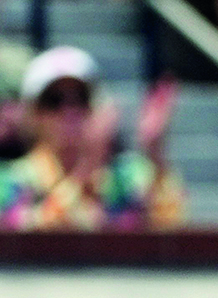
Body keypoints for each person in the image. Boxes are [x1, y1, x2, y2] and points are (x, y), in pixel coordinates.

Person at [0, 47, 183, 230]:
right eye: (54, 100)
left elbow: (171, 222)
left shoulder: (126, 177)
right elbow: (30, 235)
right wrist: (86, 168)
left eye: (80, 99)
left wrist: (155, 154)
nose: (69, 111)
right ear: (34, 114)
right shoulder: (12, 182)